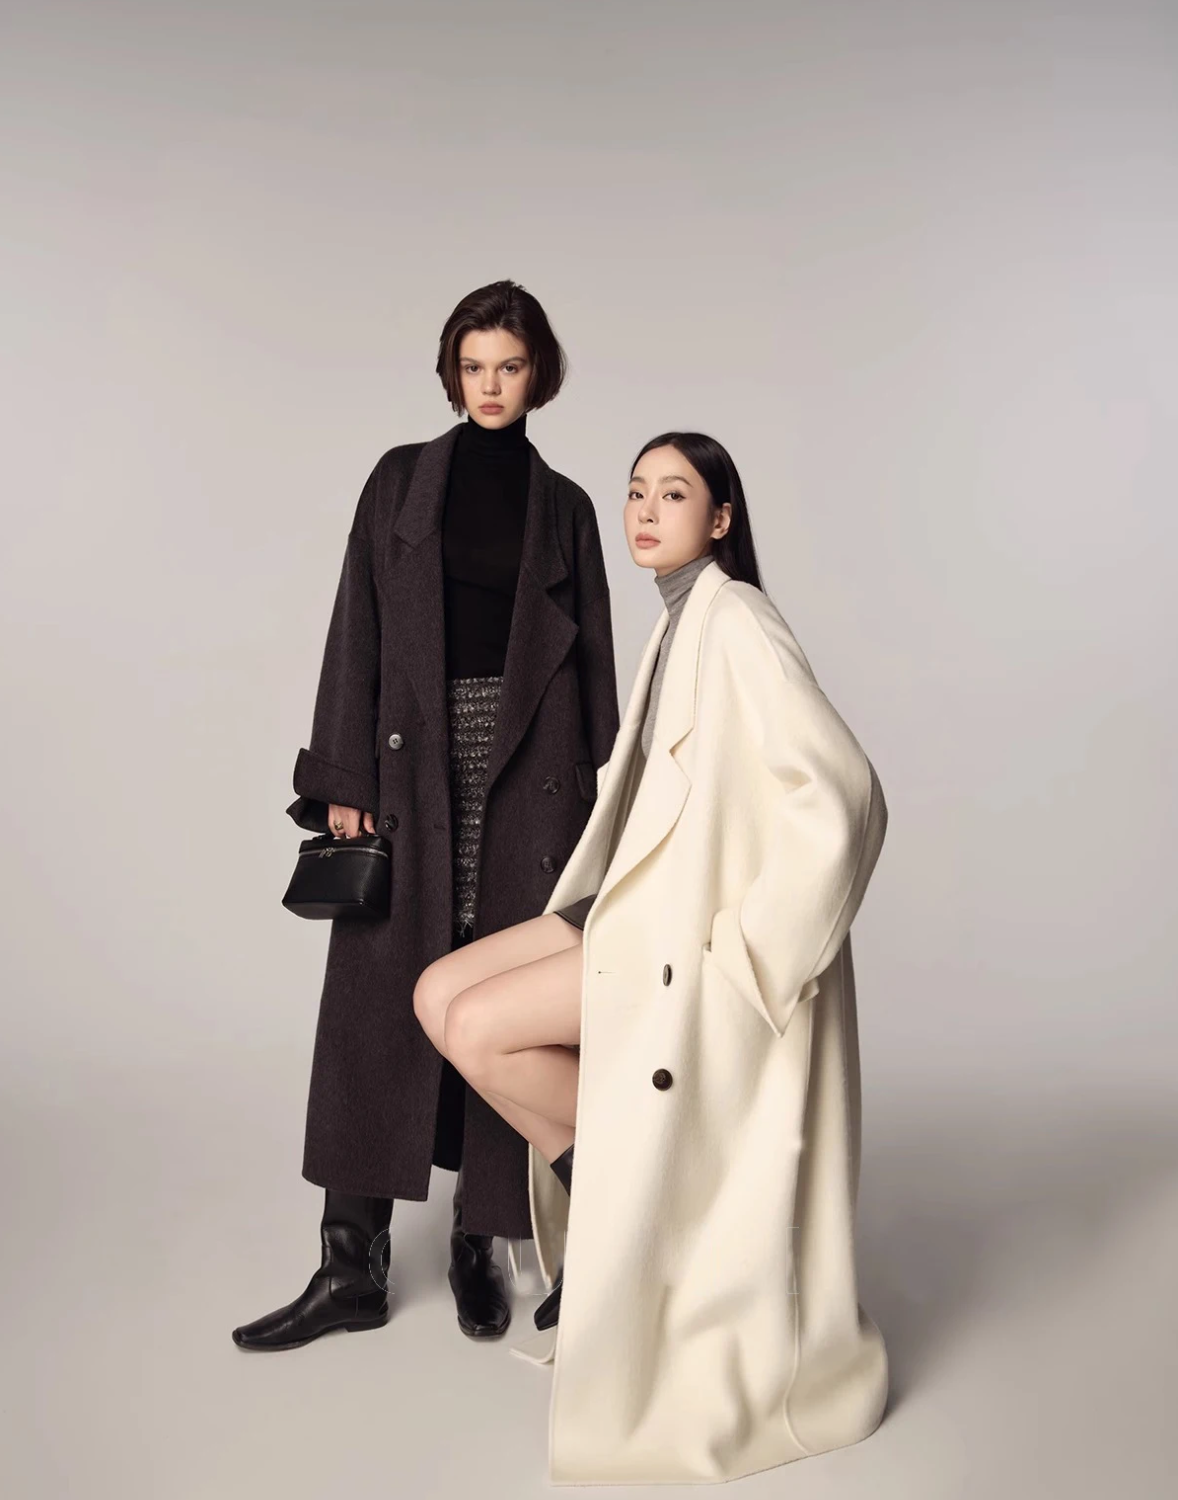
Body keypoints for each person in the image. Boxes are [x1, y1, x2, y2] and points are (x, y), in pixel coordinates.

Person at [413, 432, 889, 1482]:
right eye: (635, 491)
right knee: (438, 993)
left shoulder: (737, 619)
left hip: (679, 936)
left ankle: (618, 1209)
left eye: (673, 494)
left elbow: (845, 793)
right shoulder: (678, 619)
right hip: (619, 906)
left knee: (481, 1027)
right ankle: (611, 1187)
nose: (644, 509)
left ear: (719, 518)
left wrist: (748, 954)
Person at [231, 281, 619, 1351]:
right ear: (451, 374)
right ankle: (346, 1265)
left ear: (538, 375)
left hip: (527, 776)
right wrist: (343, 773)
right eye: (473, 366)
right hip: (410, 771)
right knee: (377, 1004)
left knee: (497, 1008)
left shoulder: (569, 509)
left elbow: (594, 669)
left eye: (509, 366)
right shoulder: (399, 481)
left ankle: (475, 1245)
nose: (490, 385)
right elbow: (354, 626)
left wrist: (597, 812)